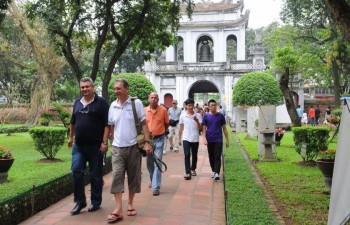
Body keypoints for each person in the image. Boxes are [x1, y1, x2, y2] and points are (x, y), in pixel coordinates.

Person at [107, 78, 153, 223]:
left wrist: (147, 143)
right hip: (117, 148)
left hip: (134, 146)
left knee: (134, 176)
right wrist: (110, 140)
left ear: (127, 89)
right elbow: (111, 125)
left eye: (119, 88)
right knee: (117, 175)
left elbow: (144, 124)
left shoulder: (136, 103)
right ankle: (118, 208)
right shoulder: (113, 105)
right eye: (114, 89)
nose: (116, 91)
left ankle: (131, 203)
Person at [68, 77, 110, 215]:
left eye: (87, 86)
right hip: (79, 146)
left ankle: (95, 202)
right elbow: (73, 122)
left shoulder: (101, 103)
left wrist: (105, 142)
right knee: (76, 171)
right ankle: (80, 202)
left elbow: (107, 124)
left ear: (93, 87)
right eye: (82, 87)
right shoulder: (77, 103)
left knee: (95, 175)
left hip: (96, 146)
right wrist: (70, 138)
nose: (84, 89)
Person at [145, 93, 169, 196]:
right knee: (149, 162)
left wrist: (162, 130)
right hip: (148, 141)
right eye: (152, 98)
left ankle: (156, 187)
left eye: (155, 98)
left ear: (158, 99)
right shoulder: (144, 110)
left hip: (159, 138)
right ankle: (152, 179)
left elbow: (166, 123)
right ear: (148, 99)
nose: (153, 99)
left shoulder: (163, 110)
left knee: (158, 162)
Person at [202, 99, 229, 181]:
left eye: (214, 105)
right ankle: (213, 170)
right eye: (211, 105)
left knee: (217, 156)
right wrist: (204, 138)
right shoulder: (206, 116)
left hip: (218, 139)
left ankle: (217, 172)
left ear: (216, 106)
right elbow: (204, 128)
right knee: (211, 156)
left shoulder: (220, 116)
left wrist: (227, 140)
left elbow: (224, 128)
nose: (213, 107)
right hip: (210, 139)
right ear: (209, 107)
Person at [178, 98, 202, 180]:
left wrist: (197, 121)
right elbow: (181, 127)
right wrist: (179, 138)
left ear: (194, 105)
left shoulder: (198, 115)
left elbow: (200, 128)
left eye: (192, 105)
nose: (190, 107)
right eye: (189, 105)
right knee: (187, 154)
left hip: (195, 138)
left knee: (194, 155)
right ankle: (187, 172)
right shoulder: (182, 115)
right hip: (186, 138)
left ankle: (193, 169)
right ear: (186, 106)